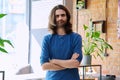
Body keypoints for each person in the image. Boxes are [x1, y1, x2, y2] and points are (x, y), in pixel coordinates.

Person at [40, 4, 83, 80]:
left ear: (67, 17)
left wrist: (54, 61)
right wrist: (69, 63)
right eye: (57, 16)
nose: (60, 18)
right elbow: (44, 66)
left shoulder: (76, 37)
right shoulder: (47, 39)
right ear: (53, 18)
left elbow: (75, 63)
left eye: (63, 15)